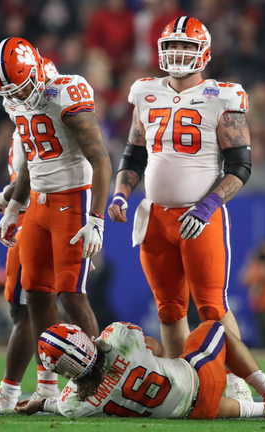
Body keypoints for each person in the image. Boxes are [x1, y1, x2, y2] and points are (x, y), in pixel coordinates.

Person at [107, 16, 254, 401]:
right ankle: (181, 385)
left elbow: (241, 165)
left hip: (200, 217)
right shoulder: (144, 91)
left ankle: (238, 384)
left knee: (212, 307)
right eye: (173, 46)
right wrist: (121, 193)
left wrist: (207, 207)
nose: (178, 53)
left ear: (203, 51)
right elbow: (134, 154)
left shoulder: (223, 95)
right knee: (169, 310)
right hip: (155, 215)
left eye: (187, 47)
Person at [0, 37, 113, 413]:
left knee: (72, 294)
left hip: (73, 199)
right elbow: (33, 155)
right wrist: (15, 205)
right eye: (10, 91)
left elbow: (101, 160)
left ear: (36, 69)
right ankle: (47, 387)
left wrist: (96, 218)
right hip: (40, 205)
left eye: (22, 85)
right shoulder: (16, 98)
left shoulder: (65, 90)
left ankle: (102, 382)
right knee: (37, 294)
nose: (19, 96)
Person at [0, 59, 70, 414]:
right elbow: (31, 167)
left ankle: (37, 388)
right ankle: (36, 388)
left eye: (23, 88)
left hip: (42, 211)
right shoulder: (23, 111)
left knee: (33, 305)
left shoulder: (52, 108)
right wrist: (11, 198)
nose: (20, 97)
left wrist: (12, 201)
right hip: (28, 208)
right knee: (22, 305)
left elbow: (47, 166)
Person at [14, 321, 265, 419]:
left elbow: (55, 405)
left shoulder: (73, 404)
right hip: (199, 378)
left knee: (203, 405)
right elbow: (157, 348)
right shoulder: (118, 336)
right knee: (213, 328)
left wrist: (39, 405)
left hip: (193, 414)